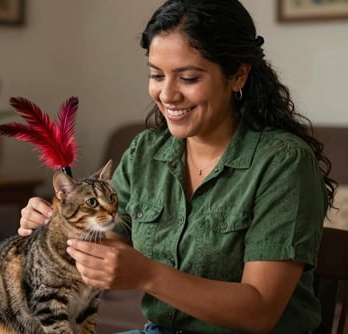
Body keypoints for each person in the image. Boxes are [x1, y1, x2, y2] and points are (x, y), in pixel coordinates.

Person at [19, 0, 336, 333]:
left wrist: (147, 274)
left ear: (238, 75)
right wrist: (62, 227)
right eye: (156, 75)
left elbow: (260, 311)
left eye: (187, 78)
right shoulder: (145, 152)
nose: (167, 94)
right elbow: (112, 246)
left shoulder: (283, 162)